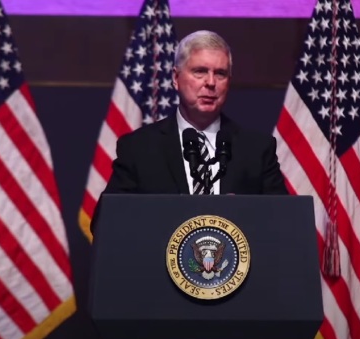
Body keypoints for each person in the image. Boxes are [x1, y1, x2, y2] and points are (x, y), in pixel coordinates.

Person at [90, 30, 288, 234]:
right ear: (176, 78)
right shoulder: (139, 148)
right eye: (200, 71)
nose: (210, 83)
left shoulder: (256, 149)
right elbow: (105, 224)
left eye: (220, 73)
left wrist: (241, 214)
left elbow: (283, 225)